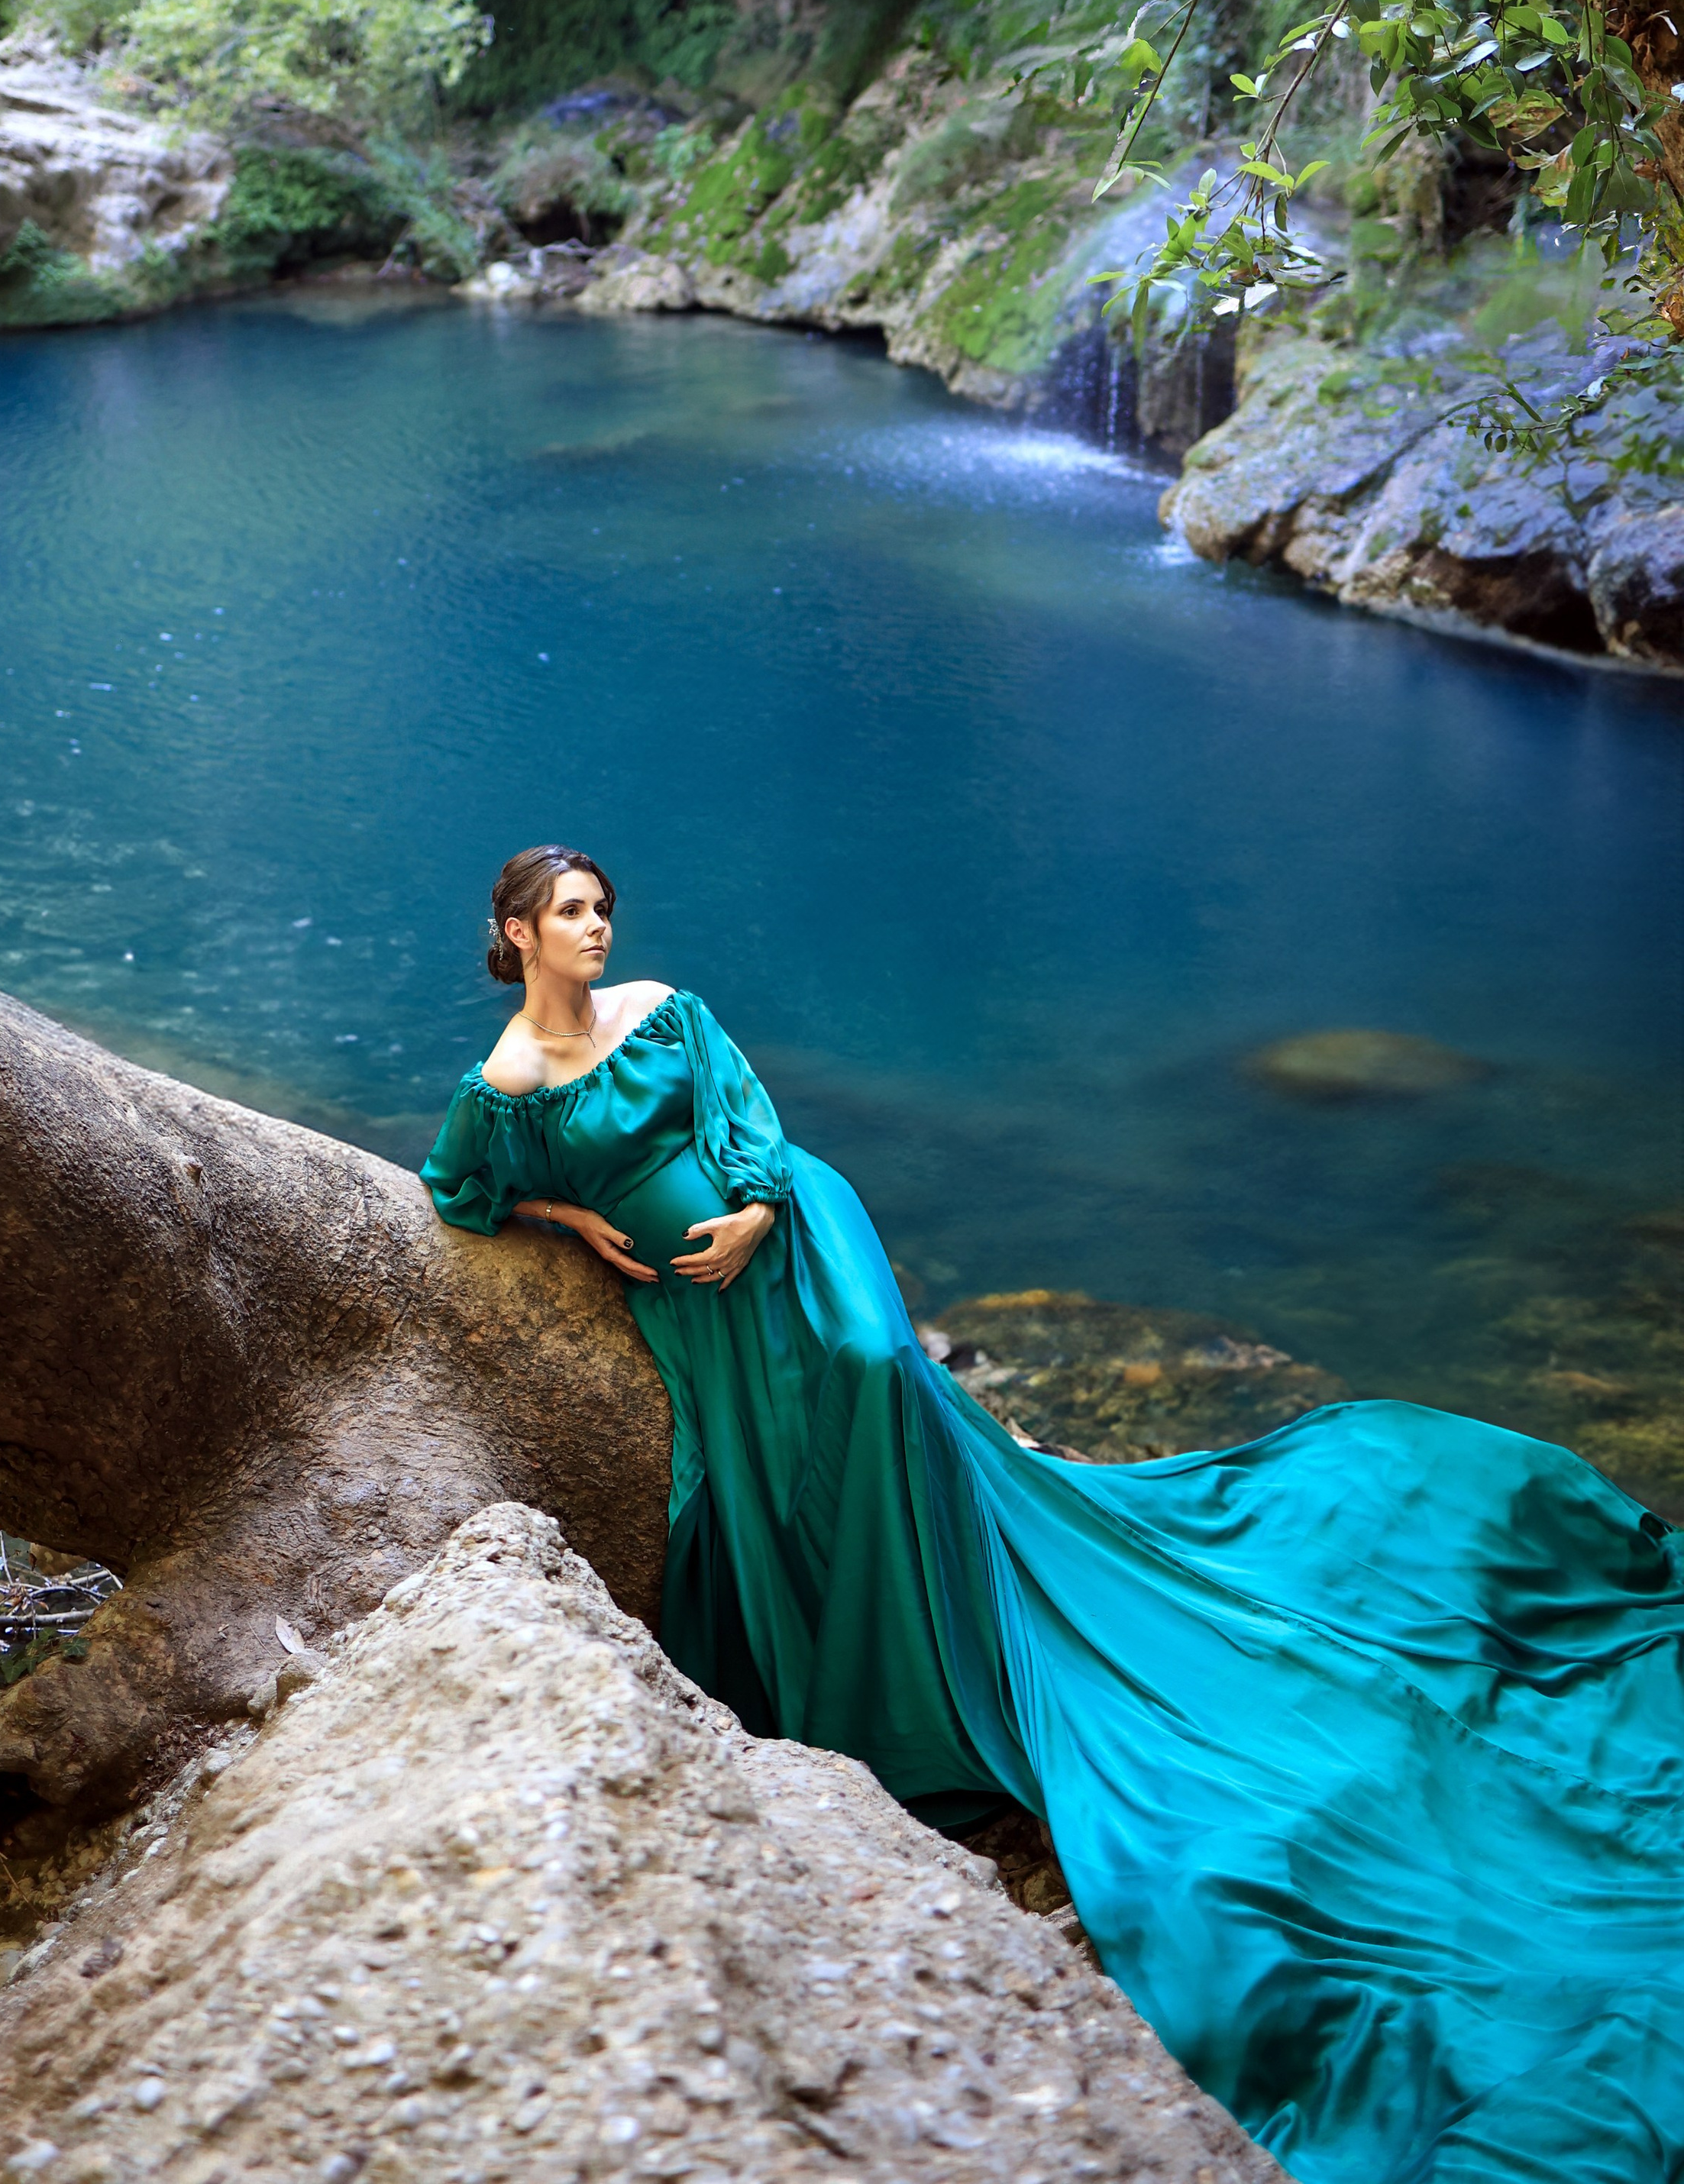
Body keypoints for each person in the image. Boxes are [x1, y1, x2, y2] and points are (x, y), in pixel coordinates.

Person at [422, 845, 1684, 2184]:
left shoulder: (664, 1009)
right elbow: (458, 1188)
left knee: (871, 1366)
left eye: (605, 905)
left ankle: (938, 1570)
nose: (601, 927)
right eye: (573, 913)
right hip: (695, 1325)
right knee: (772, 1483)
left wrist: (744, 1215)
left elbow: (746, 1114)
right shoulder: (504, 1083)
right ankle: (895, 1641)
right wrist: (568, 1213)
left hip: (784, 1238)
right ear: (517, 932)